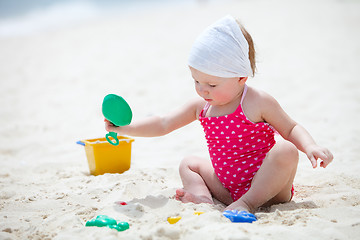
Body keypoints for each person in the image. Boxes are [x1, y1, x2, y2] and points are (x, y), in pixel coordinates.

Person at [104, 15, 333, 215]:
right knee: (189, 163)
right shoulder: (201, 106)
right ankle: (202, 198)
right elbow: (163, 123)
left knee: (287, 150)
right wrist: (124, 128)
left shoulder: (257, 101)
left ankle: (247, 203)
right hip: (226, 189)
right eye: (196, 81)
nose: (203, 90)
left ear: (241, 77)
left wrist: (310, 146)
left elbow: (290, 128)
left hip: (269, 188)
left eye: (212, 84)